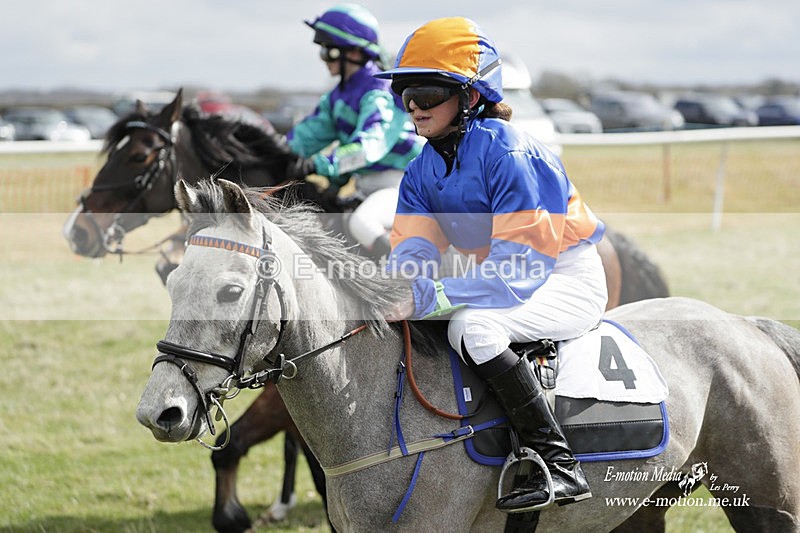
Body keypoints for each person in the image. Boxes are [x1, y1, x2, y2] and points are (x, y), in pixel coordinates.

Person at [377, 17, 608, 512]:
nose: (414, 107)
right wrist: (399, 283)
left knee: (474, 330)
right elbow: (414, 248)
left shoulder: (513, 152)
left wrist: (425, 295)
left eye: (427, 93)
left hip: (563, 277)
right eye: (405, 94)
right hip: (501, 277)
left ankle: (557, 462)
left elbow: (520, 270)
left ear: (471, 96)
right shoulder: (421, 168)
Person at [284, 3, 425, 258]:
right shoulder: (337, 97)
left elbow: (369, 148)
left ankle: (406, 278)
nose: (323, 58)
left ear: (351, 52)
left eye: (327, 51)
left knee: (362, 223)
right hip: (364, 186)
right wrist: (273, 153)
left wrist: (320, 164)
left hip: (402, 184)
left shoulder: (380, 91)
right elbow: (305, 137)